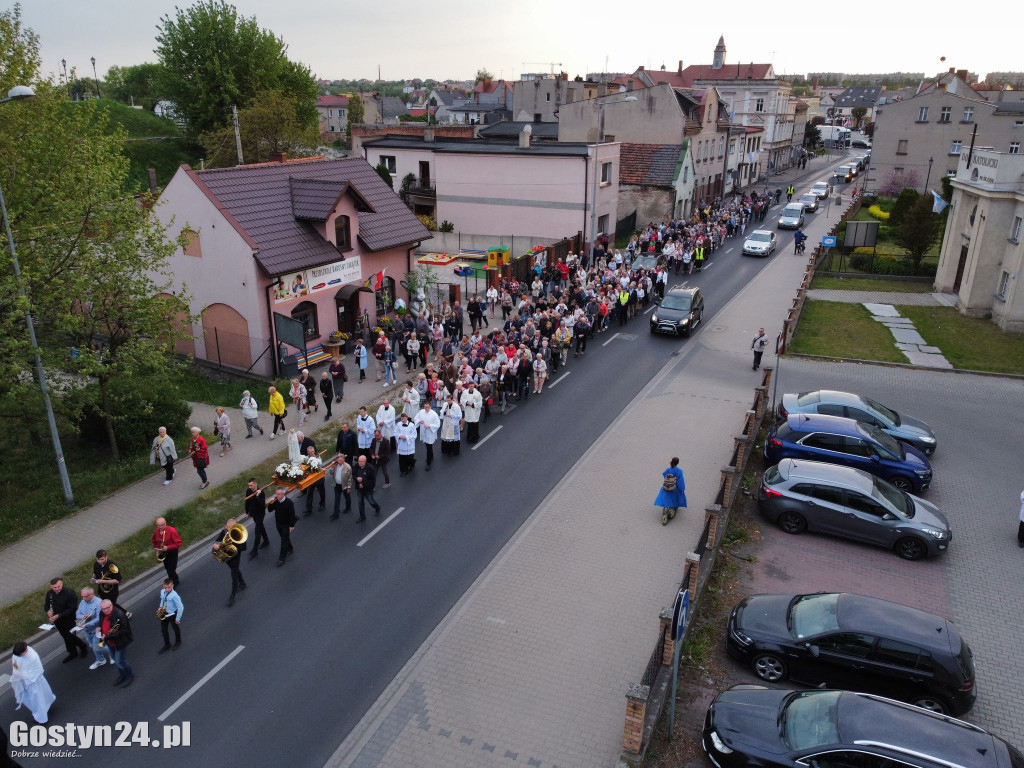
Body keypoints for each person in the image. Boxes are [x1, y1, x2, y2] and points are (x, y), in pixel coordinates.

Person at [44, 577, 88, 663]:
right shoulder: (49, 594)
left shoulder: (69, 593)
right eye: (54, 587)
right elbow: (46, 605)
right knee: (65, 636)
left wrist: (59, 615)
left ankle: (83, 646)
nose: (56, 589)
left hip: (69, 619)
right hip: (57, 620)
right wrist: (48, 611)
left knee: (70, 636)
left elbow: (72, 608)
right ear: (51, 586)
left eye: (58, 586)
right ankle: (72, 652)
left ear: (62, 584)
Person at [10, 642, 55, 723]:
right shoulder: (17, 655)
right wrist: (18, 674)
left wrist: (23, 676)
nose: (19, 656)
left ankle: (41, 718)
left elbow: (37, 670)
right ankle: (45, 708)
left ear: (26, 650)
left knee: (36, 701)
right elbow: (15, 664)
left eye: (20, 655)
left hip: (34, 682)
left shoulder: (33, 656)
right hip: (25, 682)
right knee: (40, 698)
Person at [212, 518, 247, 607]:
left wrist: (233, 546)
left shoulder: (239, 533)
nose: (228, 529)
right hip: (227, 556)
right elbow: (217, 540)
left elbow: (244, 548)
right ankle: (242, 583)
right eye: (227, 526)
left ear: (235, 526)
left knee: (233, 574)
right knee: (234, 569)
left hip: (235, 556)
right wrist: (215, 545)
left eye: (230, 527)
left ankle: (232, 597)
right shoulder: (224, 531)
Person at [99, 599, 134, 686]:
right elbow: (102, 623)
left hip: (120, 641)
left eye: (107, 608)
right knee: (115, 659)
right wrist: (100, 630)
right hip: (110, 641)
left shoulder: (119, 614)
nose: (105, 610)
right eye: (103, 609)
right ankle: (122, 675)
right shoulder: (102, 613)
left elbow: (123, 631)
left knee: (119, 661)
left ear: (111, 606)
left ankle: (129, 675)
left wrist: (107, 637)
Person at [75, 587, 110, 669]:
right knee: (93, 646)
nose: (83, 598)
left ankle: (110, 655)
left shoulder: (99, 603)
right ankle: (101, 659)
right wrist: (82, 616)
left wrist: (86, 624)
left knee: (97, 647)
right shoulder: (83, 602)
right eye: (82, 596)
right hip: (87, 630)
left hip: (96, 629)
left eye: (85, 596)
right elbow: (77, 614)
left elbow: (99, 618)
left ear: (91, 594)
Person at [92, 550, 130, 618]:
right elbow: (94, 575)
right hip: (102, 591)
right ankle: (126, 613)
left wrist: (103, 581)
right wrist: (93, 580)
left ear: (106, 557)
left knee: (110, 605)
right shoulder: (96, 564)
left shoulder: (112, 565)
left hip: (112, 591)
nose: (100, 561)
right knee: (112, 605)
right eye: (98, 559)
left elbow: (117, 580)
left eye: (102, 559)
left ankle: (121, 617)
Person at [268, 487, 297, 566]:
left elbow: (292, 514)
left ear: (283, 494)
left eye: (278, 494)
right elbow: (270, 510)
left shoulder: (289, 502)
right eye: (276, 494)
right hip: (278, 524)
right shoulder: (276, 502)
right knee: (284, 538)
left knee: (283, 541)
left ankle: (281, 559)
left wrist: (291, 525)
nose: (276, 496)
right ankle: (290, 548)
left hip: (286, 525)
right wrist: (270, 503)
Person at [654, 457, 687, 525]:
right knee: (673, 502)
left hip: (667, 488)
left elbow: (664, 474)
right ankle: (671, 513)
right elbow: (680, 481)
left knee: (666, 502)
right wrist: (682, 489)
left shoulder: (668, 469)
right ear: (677, 463)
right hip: (674, 489)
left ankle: (664, 517)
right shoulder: (679, 471)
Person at [244, 478, 271, 557]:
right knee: (261, 527)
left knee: (257, 531)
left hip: (260, 513)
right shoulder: (248, 491)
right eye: (249, 485)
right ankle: (266, 541)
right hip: (253, 513)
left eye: (251, 485)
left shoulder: (261, 493)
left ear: (255, 484)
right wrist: (247, 512)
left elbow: (262, 505)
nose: (249, 487)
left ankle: (255, 550)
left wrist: (257, 496)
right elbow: (247, 502)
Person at [152, 517, 182, 587]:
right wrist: (157, 550)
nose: (161, 527)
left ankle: (175, 582)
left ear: (165, 523)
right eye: (159, 525)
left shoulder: (172, 531)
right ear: (157, 525)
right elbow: (154, 541)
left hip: (172, 552)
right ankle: (172, 578)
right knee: (167, 568)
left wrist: (168, 547)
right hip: (163, 553)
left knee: (170, 570)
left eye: (162, 525)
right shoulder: (156, 532)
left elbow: (179, 543)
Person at [155, 578, 183, 650]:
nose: (167, 589)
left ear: (172, 586)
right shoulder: (162, 592)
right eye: (165, 587)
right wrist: (160, 607)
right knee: (163, 630)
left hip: (172, 614)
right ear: (163, 586)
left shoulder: (174, 596)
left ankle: (178, 641)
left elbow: (180, 607)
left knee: (175, 628)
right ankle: (167, 644)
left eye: (169, 587)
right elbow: (162, 600)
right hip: (164, 614)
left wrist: (177, 618)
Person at [352, 455, 382, 521]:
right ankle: (362, 516)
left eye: (360, 461)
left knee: (371, 501)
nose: (359, 462)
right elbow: (353, 475)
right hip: (359, 489)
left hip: (367, 489)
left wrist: (363, 484)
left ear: (365, 462)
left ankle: (377, 508)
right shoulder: (356, 466)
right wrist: (356, 478)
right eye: (358, 461)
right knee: (360, 503)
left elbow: (372, 481)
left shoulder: (370, 468)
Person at [302, 445, 326, 515]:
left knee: (321, 492)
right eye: (310, 452)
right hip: (311, 479)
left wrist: (314, 460)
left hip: (319, 478)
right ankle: (309, 509)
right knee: (309, 494)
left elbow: (320, 463)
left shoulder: (317, 456)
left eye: (313, 451)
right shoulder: (307, 458)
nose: (312, 453)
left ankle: (322, 504)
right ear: (308, 452)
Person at [330, 453, 353, 519]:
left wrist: (349, 487)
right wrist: (332, 466)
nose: (338, 461)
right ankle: (336, 514)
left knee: (347, 497)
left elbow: (350, 478)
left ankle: (348, 508)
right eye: (337, 460)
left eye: (339, 460)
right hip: (337, 485)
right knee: (337, 499)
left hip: (345, 486)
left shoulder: (348, 467)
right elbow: (331, 473)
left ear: (343, 459)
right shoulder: (335, 465)